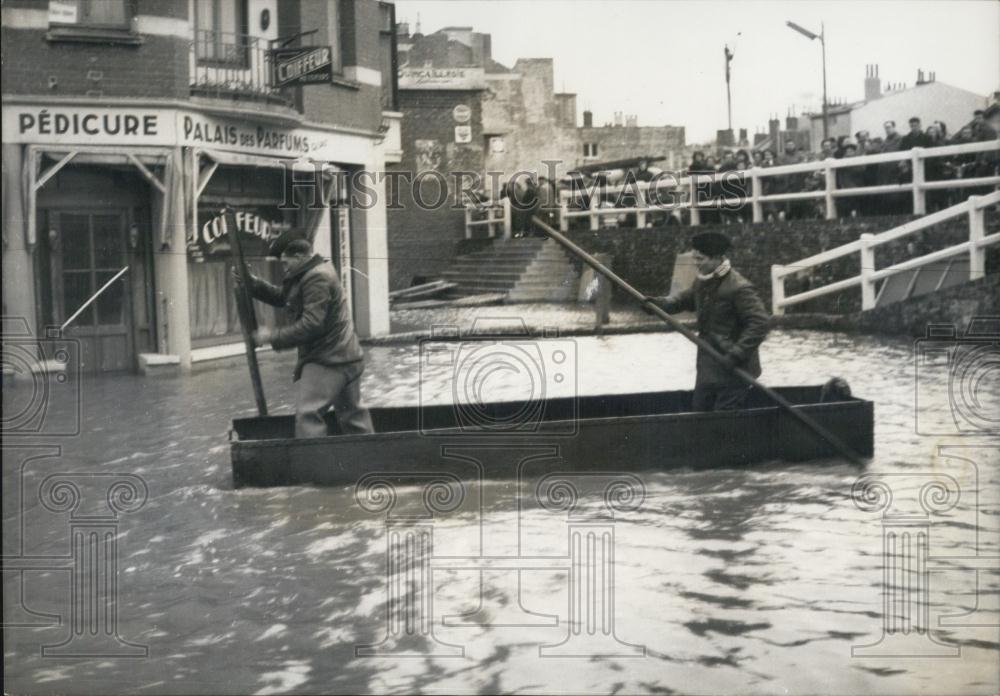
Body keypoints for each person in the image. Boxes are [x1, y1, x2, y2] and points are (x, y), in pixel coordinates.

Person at [237, 232, 374, 439]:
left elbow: (311, 325)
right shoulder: (311, 272)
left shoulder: (316, 277)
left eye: (285, 263)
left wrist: (271, 336)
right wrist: (253, 284)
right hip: (347, 356)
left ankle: (312, 468)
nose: (284, 268)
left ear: (299, 257)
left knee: (308, 415)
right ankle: (373, 456)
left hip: (329, 359)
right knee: (352, 416)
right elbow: (284, 297)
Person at [645, 231, 769, 411]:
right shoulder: (703, 281)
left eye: (700, 259)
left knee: (723, 420)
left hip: (733, 369)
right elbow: (684, 300)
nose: (696, 264)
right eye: (695, 258)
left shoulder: (739, 287)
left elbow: (760, 323)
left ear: (717, 258)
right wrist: (659, 304)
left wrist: (737, 353)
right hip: (708, 367)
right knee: (700, 412)